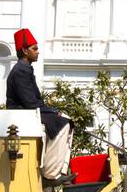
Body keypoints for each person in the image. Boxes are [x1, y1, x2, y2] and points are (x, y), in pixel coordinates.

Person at [6, 28, 75, 184]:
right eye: (34, 49)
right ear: (24, 50)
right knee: (63, 124)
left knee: (66, 120)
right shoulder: (21, 70)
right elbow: (30, 102)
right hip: (22, 115)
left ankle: (58, 171)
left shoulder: (25, 69)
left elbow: (35, 100)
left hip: (28, 113)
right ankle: (50, 174)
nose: (38, 52)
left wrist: (53, 111)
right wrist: (53, 112)